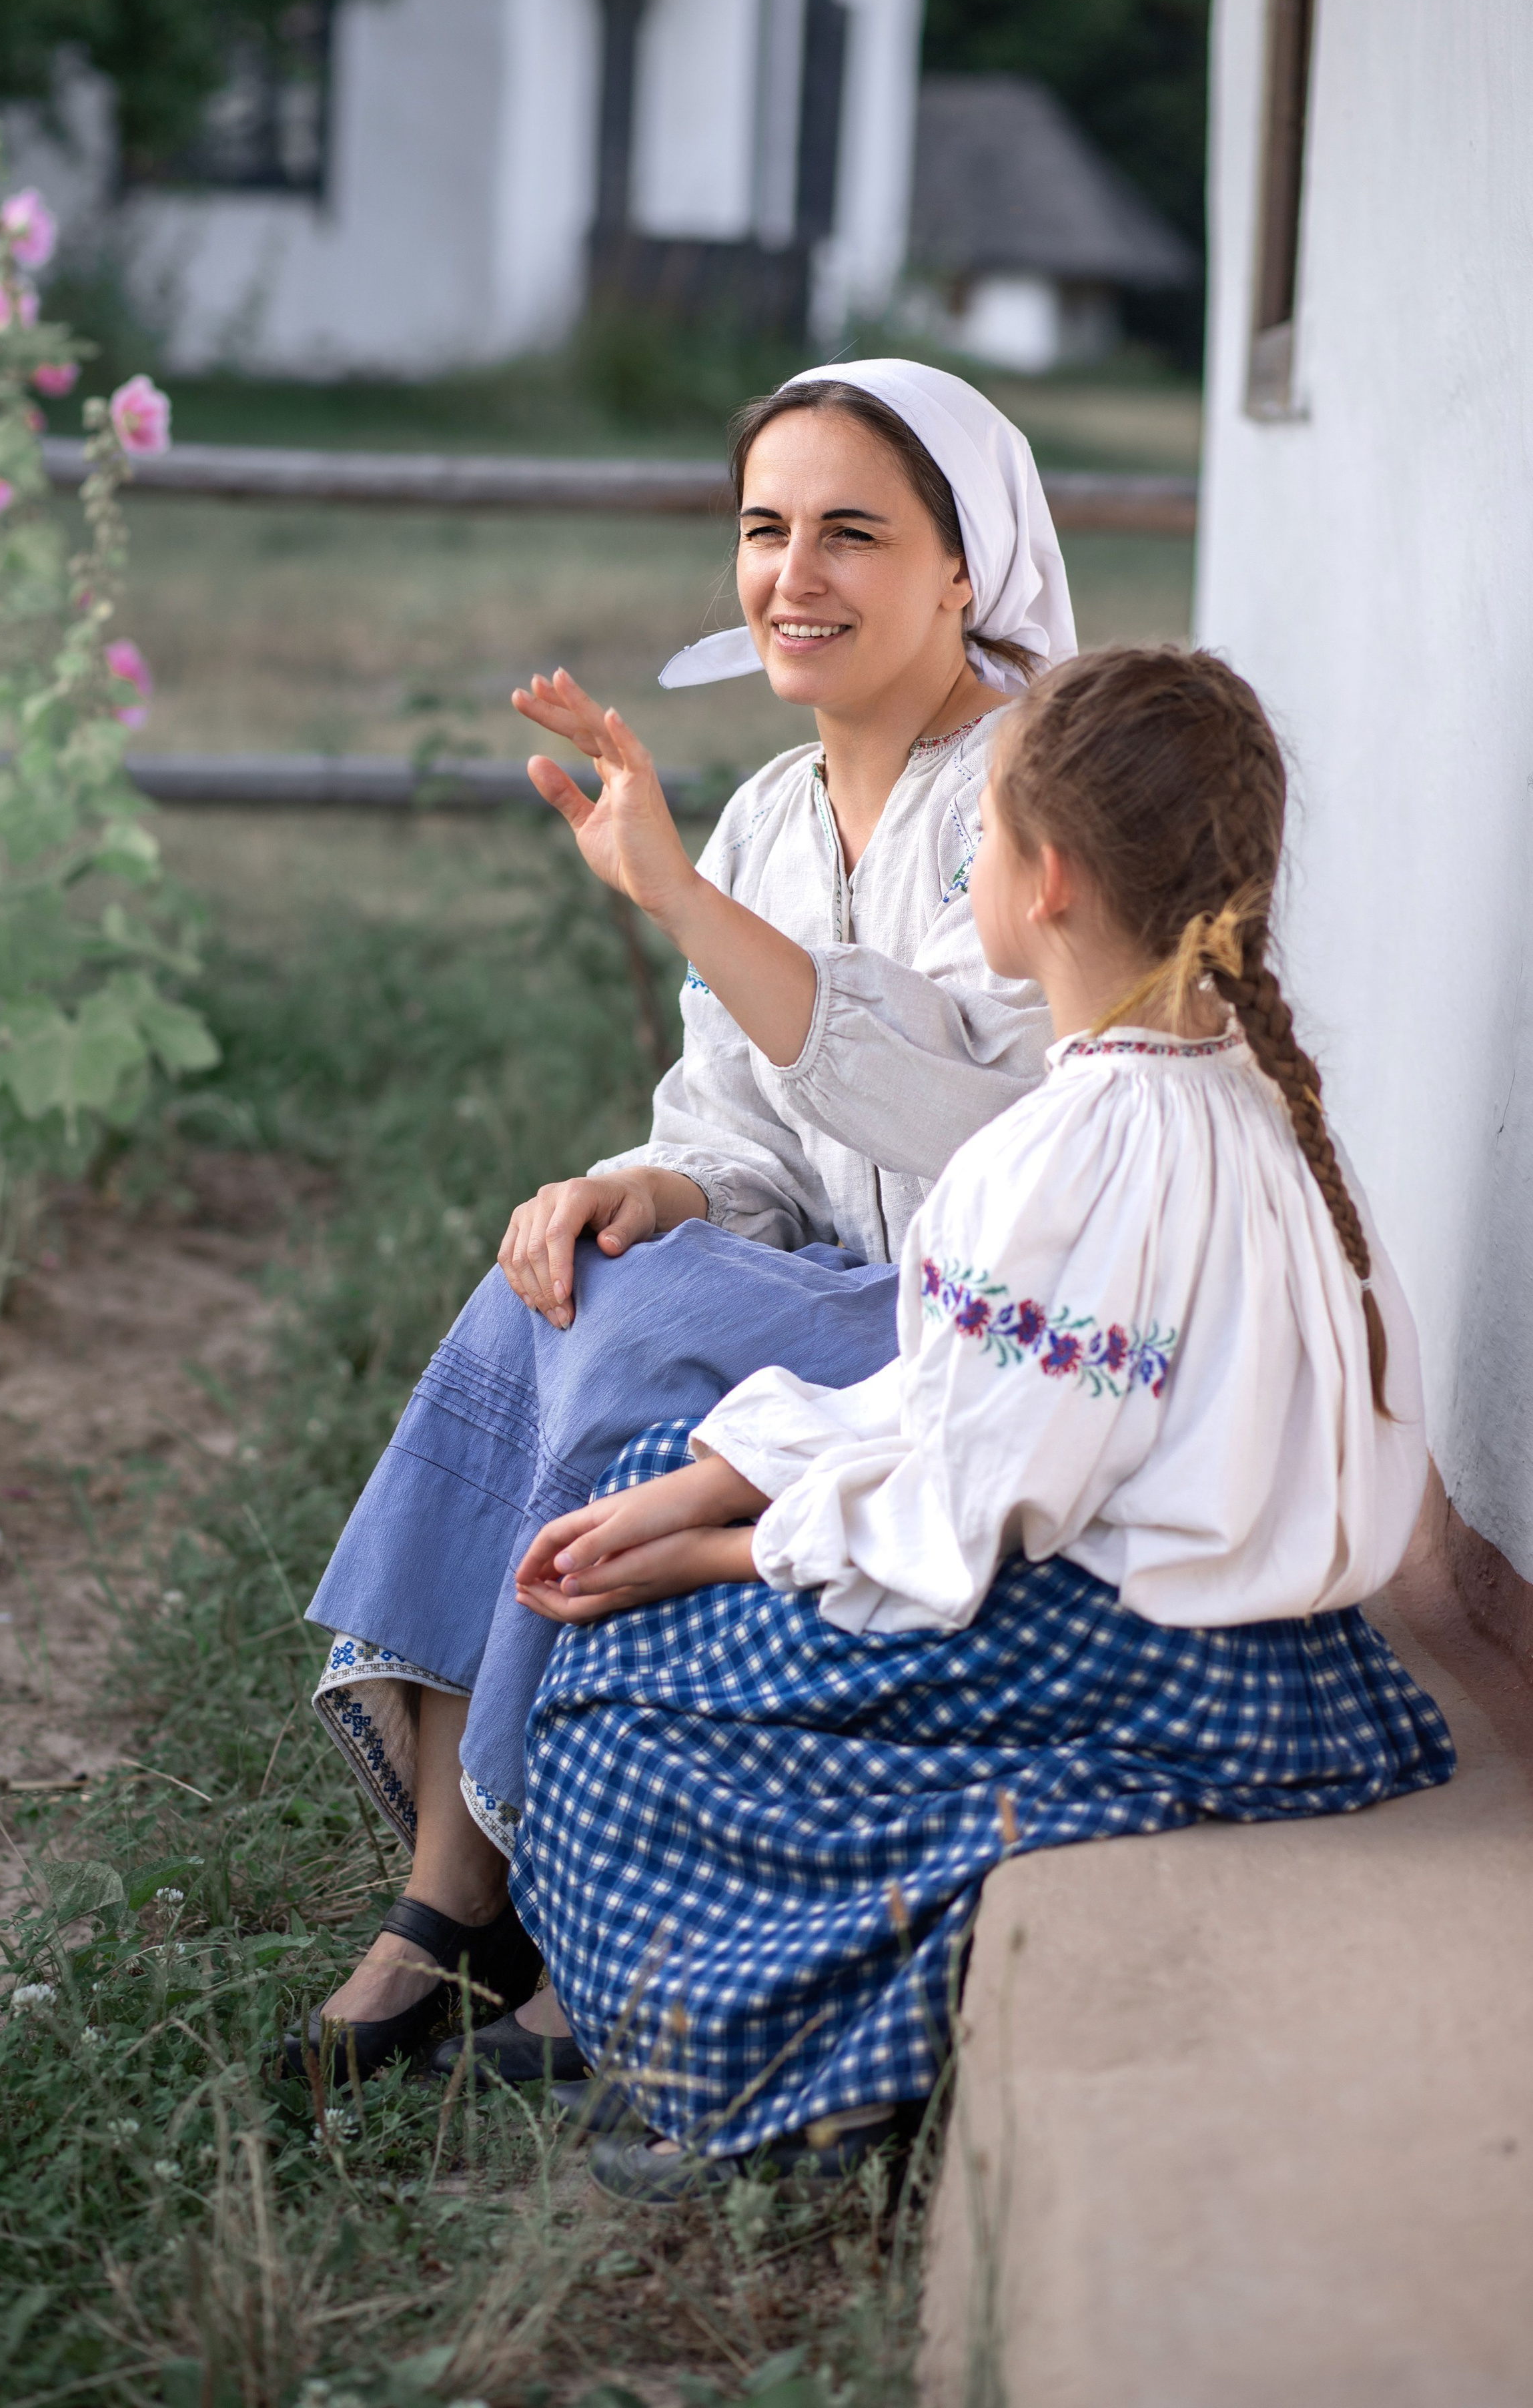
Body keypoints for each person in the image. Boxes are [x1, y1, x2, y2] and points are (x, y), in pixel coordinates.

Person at [507, 645, 1456, 2198]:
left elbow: (966, 1507)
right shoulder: (1258, 1100)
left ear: (1047, 881)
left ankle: (761, 2075)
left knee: (621, 1704)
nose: (968, 878)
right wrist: (714, 1482)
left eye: (981, 844)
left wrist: (713, 1557)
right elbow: (978, 1401)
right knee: (661, 1472)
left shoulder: (1055, 1156)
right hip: (1303, 1667)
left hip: (1145, 1658)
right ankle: (785, 2026)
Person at [284, 361, 1077, 2086]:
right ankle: (451, 1892)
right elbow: (744, 1136)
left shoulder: (1034, 797)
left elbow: (982, 1118)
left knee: (640, 1330)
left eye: (852, 531)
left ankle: (560, 1890)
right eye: (764, 528)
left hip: (996, 1319)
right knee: (570, 1283)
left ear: (966, 568)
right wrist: (648, 1189)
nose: (794, 574)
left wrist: (679, 903)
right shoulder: (775, 814)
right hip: (841, 1286)